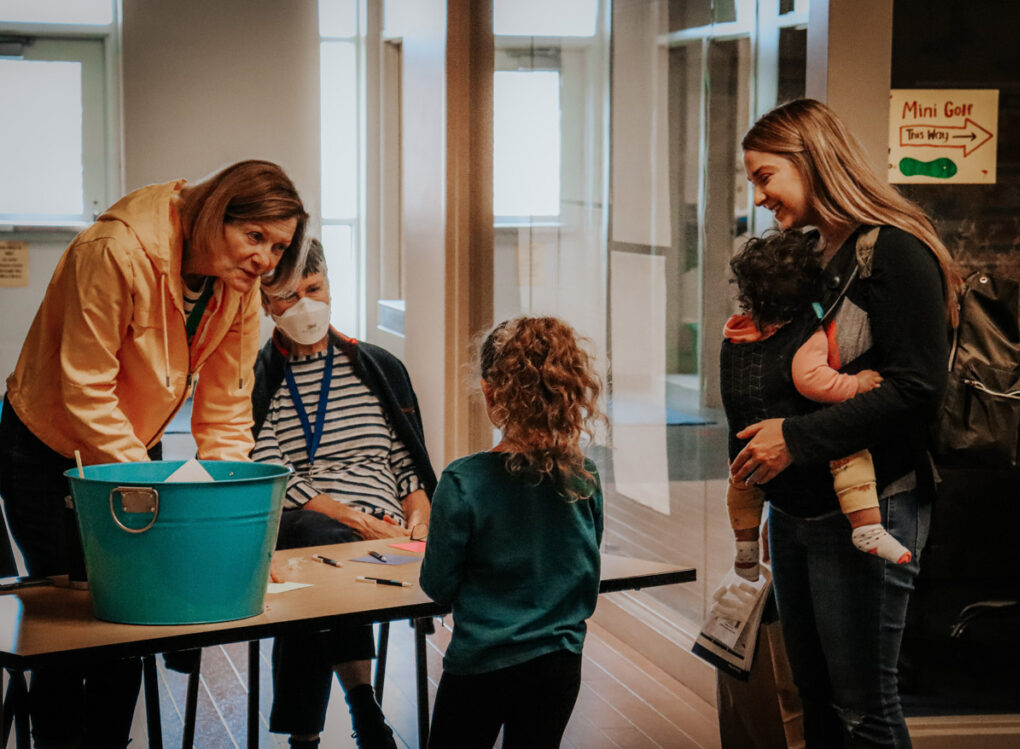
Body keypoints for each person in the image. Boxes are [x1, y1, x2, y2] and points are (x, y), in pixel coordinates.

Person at [0, 159, 307, 748]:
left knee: (132, 618)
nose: (265, 259)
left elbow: (226, 406)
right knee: (67, 630)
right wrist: (155, 496)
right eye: (255, 237)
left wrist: (225, 515)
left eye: (278, 246)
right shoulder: (114, 250)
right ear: (216, 213)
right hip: (47, 445)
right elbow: (85, 389)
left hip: (133, 444)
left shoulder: (238, 286)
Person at [730, 99, 960, 748]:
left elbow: (917, 389)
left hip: (871, 506)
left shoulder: (895, 252)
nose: (760, 193)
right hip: (801, 509)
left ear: (811, 160)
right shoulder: (814, 253)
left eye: (766, 174)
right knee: (817, 702)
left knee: (863, 710)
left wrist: (794, 439)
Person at [251, 238, 436, 749]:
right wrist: (359, 523)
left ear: (331, 287)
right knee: (317, 549)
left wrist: (418, 516)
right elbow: (273, 473)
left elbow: (408, 463)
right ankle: (362, 704)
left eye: (314, 288)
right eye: (287, 295)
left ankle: (307, 735)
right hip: (313, 523)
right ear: (265, 303)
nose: (304, 304)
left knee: (318, 586)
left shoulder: (378, 367)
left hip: (384, 533)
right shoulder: (257, 380)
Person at [420, 316, 605, 749]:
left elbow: (438, 586)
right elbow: (585, 569)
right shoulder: (584, 477)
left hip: (482, 663)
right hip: (561, 664)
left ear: (489, 392)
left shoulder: (463, 481)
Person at [723, 228, 911, 583]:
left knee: (742, 486)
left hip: (745, 445)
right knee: (851, 455)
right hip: (796, 446)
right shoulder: (803, 332)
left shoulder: (735, 332)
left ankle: (745, 549)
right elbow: (813, 382)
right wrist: (856, 384)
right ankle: (866, 527)